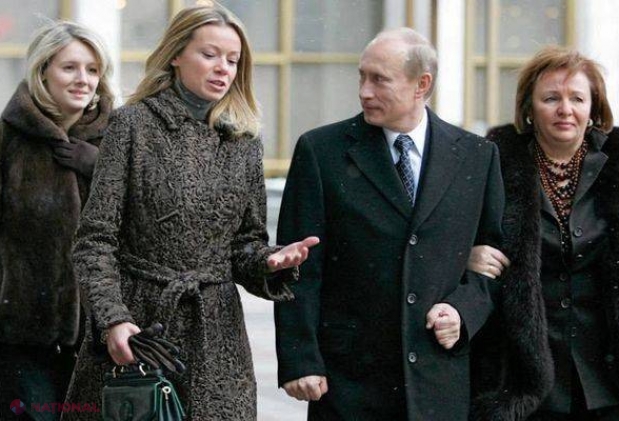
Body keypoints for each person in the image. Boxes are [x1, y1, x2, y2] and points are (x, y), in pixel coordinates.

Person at [62, 4, 318, 421]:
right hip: (141, 330)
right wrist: (113, 320)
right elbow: (95, 240)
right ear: (177, 55)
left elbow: (244, 245)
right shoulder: (131, 126)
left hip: (216, 339)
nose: (223, 69)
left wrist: (270, 261)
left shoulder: (244, 141)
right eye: (210, 54)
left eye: (232, 60)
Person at [274, 27, 504, 421]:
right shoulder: (321, 151)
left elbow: (494, 262)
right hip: (349, 382)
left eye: (379, 79)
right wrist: (300, 358)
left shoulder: (477, 156)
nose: (365, 91)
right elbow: (298, 266)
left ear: (421, 84)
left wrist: (463, 312)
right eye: (362, 77)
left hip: (437, 379)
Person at [468, 46, 619, 420]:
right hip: (522, 379)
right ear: (529, 109)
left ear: (593, 109)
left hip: (606, 377)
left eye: (577, 98)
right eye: (551, 98)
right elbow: (446, 229)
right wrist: (466, 254)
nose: (565, 109)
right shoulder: (493, 163)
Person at [0, 20, 114, 421]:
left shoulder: (119, 139)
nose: (83, 79)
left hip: (103, 336)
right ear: (43, 70)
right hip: (22, 339)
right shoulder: (9, 139)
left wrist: (102, 168)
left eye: (92, 69)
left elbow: (149, 221)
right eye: (70, 67)